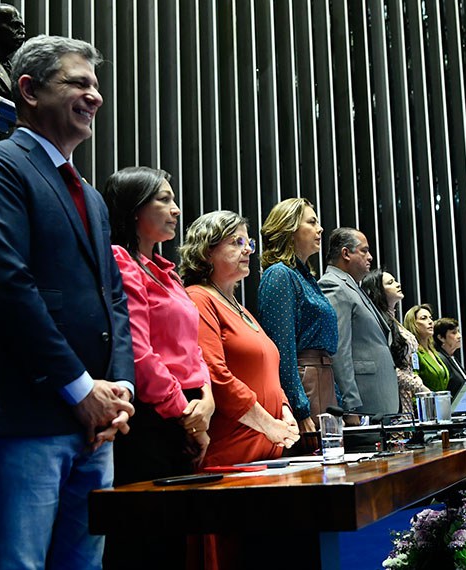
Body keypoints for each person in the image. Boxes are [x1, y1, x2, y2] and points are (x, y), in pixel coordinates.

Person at [0, 35, 135, 569]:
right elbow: (5, 286)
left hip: (98, 425)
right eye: (78, 82)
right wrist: (79, 387)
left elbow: (113, 299)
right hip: (26, 417)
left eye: (96, 85)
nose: (95, 95)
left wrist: (118, 387)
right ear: (28, 90)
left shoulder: (93, 197)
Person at [102, 167, 214, 568]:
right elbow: (137, 349)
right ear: (134, 210)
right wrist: (183, 412)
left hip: (185, 413)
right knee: (146, 546)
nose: (176, 210)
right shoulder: (120, 260)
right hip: (151, 418)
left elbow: (192, 348)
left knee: (176, 544)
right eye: (163, 200)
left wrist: (205, 399)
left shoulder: (166, 271)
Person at [180, 211, 300, 570]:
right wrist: (269, 424)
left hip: (263, 455)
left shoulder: (242, 308)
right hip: (229, 455)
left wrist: (285, 413)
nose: (248, 249)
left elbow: (267, 371)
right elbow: (215, 373)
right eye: (236, 242)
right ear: (206, 252)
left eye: (248, 241)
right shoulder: (199, 298)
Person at [258, 198, 338, 437]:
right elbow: (282, 350)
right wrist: (300, 408)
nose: (320, 228)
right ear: (289, 230)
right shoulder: (279, 275)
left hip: (323, 378)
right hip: (305, 384)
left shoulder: (307, 278)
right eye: (312, 222)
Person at [319, 228, 400, 418]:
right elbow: (340, 350)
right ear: (346, 253)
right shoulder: (333, 285)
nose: (370, 257)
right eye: (364, 250)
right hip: (363, 405)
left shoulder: (353, 285)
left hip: (377, 401)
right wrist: (350, 405)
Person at [360, 268, 429, 414]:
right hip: (392, 399)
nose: (398, 284)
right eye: (391, 283)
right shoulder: (377, 323)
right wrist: (418, 386)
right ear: (378, 291)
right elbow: (386, 368)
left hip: (407, 396)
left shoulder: (394, 321)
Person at [403, 304, 450, 392]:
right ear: (413, 324)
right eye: (424, 318)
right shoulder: (413, 352)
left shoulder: (433, 351)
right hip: (424, 403)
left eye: (430, 318)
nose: (430, 322)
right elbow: (413, 381)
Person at [434, 317, 466, 396]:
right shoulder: (440, 359)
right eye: (454, 333)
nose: (459, 336)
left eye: (458, 331)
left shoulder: (451, 357)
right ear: (441, 338)